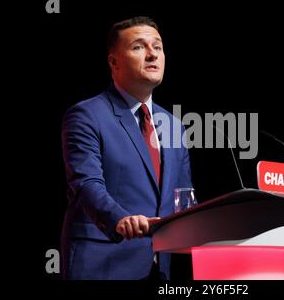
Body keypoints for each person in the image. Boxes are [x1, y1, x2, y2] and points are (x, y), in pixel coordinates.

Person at [60, 16, 192, 280]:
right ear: (113, 62)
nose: (152, 54)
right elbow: (86, 184)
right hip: (103, 264)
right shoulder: (86, 115)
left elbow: (184, 199)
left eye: (158, 46)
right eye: (139, 47)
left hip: (159, 269)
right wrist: (120, 219)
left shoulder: (174, 126)